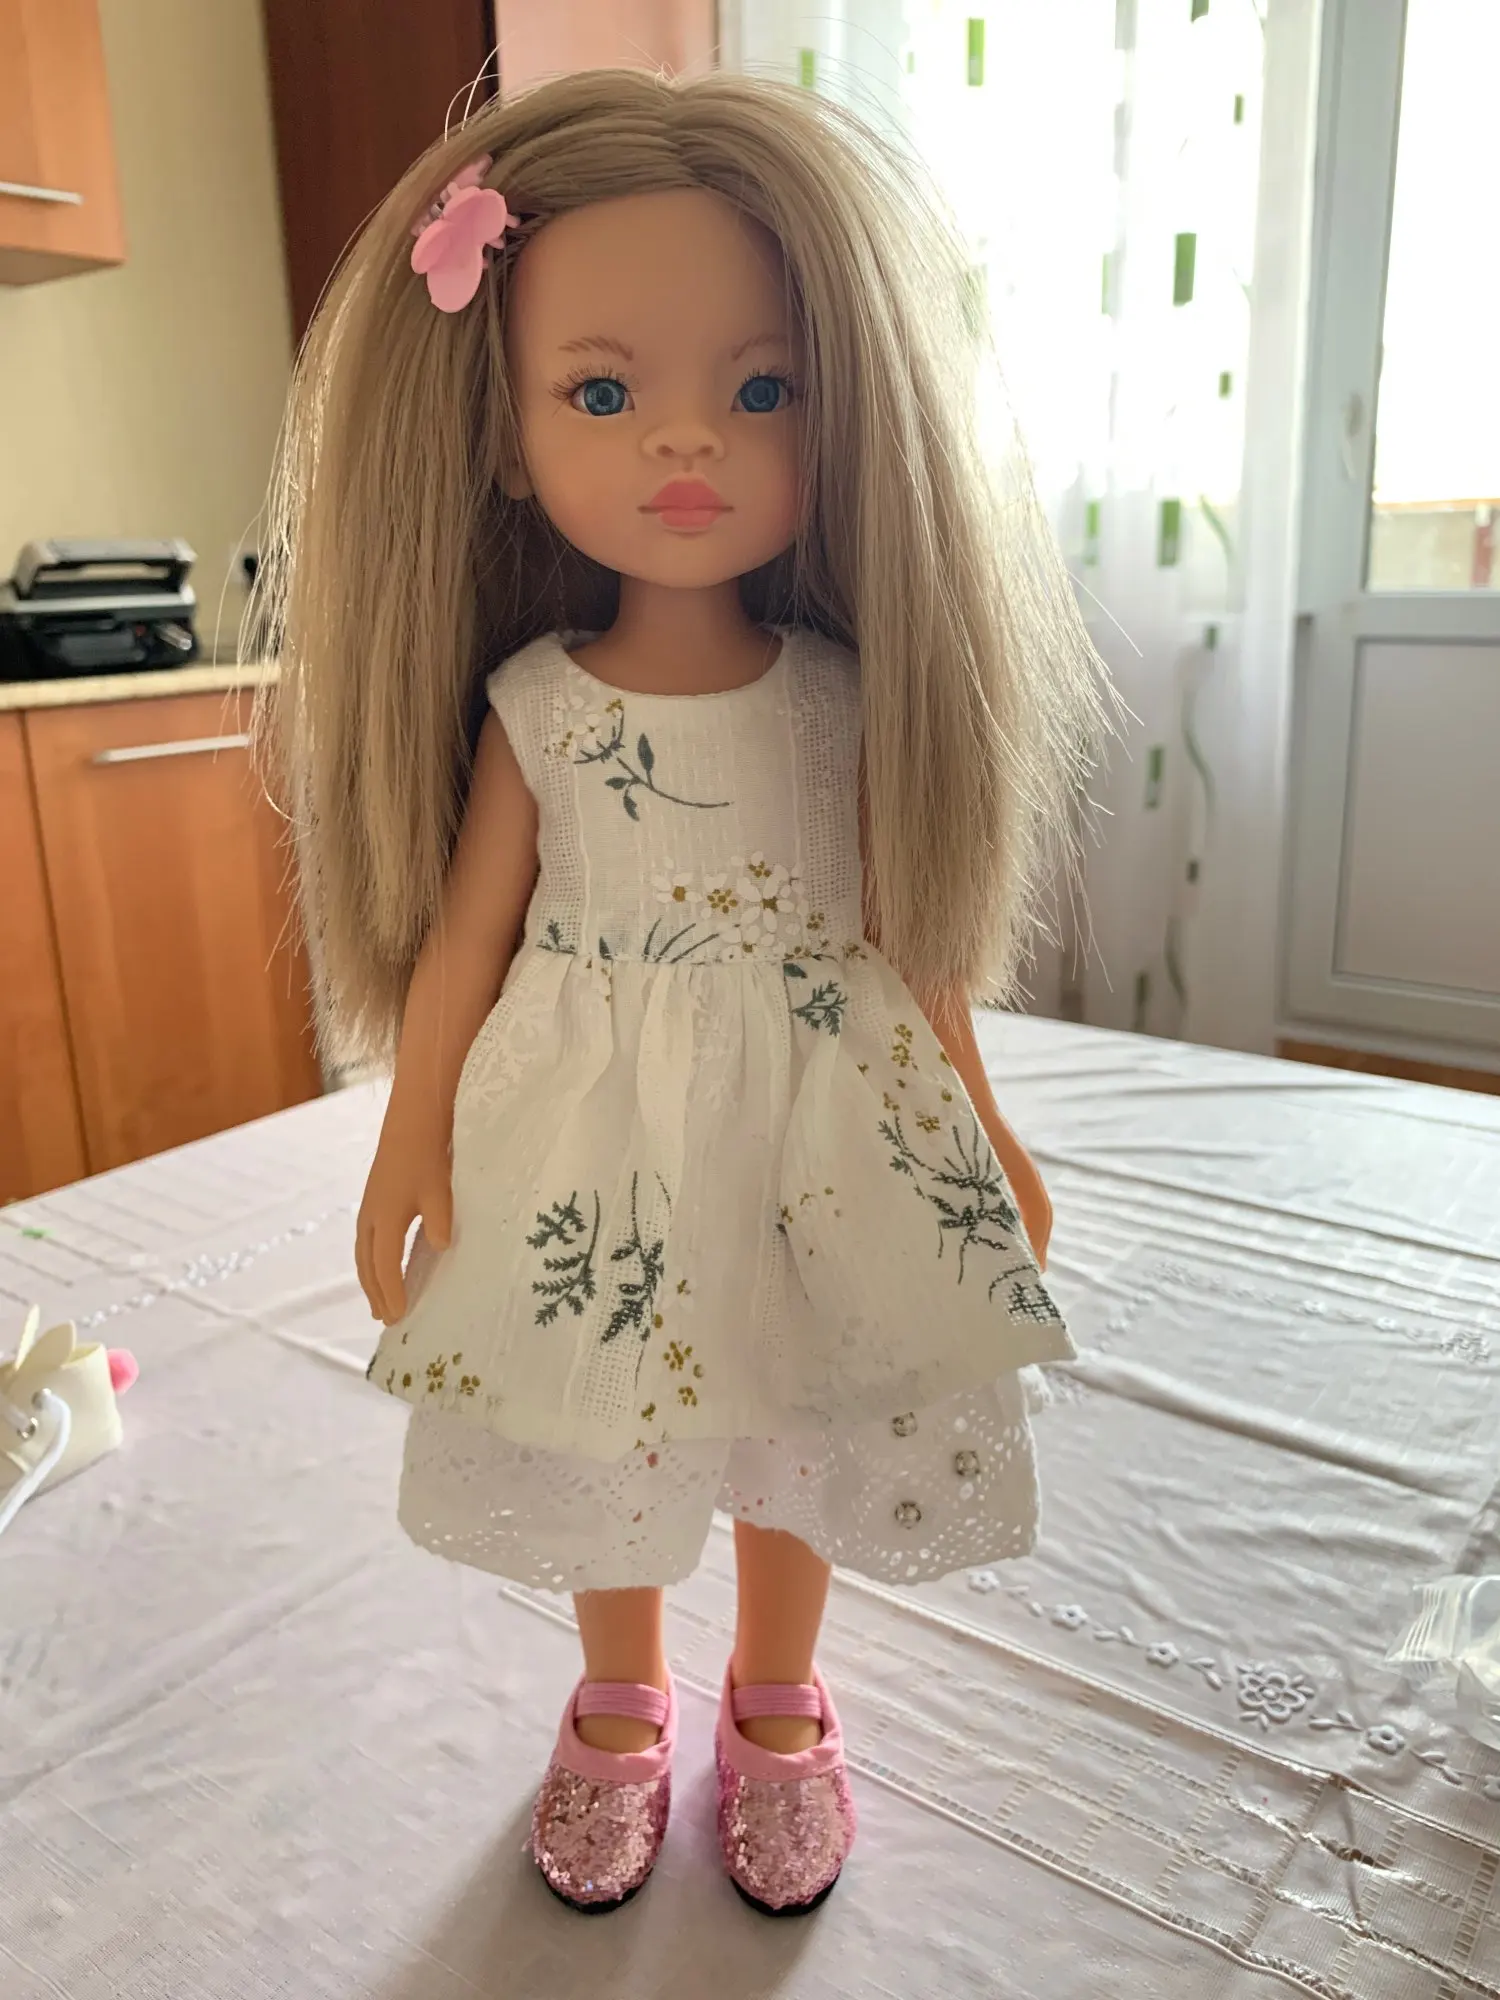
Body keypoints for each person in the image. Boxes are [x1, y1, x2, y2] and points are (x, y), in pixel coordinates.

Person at [253, 67, 1105, 1917]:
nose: (687, 440)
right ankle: (622, 1691)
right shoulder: (539, 708)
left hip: (817, 1113)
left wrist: (983, 1125)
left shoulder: (840, 701)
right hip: (600, 1119)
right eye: (603, 393)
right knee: (607, 1399)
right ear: (505, 437)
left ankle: (778, 1691)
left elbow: (909, 940)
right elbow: (467, 944)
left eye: (763, 389)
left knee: (804, 1391)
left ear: (839, 418)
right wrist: (409, 1131)